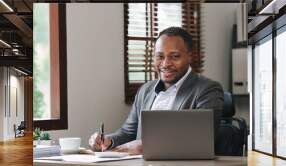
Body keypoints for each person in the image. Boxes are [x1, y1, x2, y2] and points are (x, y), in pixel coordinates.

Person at [89, 26, 224, 155]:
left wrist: (145, 146)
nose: (165, 64)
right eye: (160, 56)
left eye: (175, 56)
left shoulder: (208, 89)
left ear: (190, 56)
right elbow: (128, 132)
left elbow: (199, 138)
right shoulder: (146, 90)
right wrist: (108, 140)